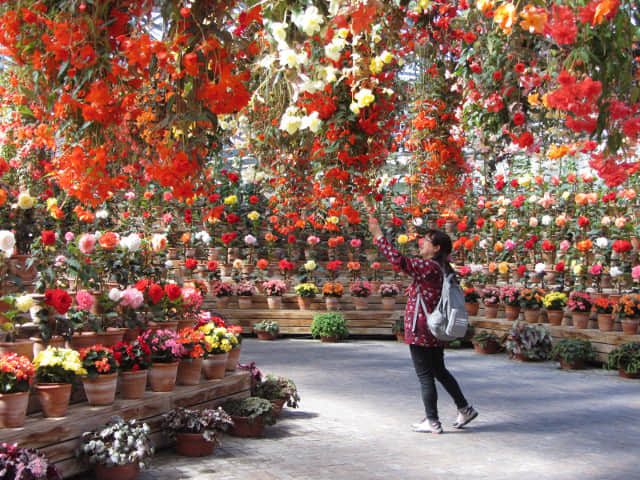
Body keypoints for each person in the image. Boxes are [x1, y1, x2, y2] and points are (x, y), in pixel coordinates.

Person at [368, 214, 477, 434]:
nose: (422, 244)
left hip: (422, 327)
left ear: (436, 248)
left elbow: (400, 261)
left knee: (425, 374)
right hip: (434, 327)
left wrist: (379, 237)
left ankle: (432, 420)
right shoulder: (444, 268)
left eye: (426, 241)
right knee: (439, 370)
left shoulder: (430, 268)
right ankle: (464, 408)